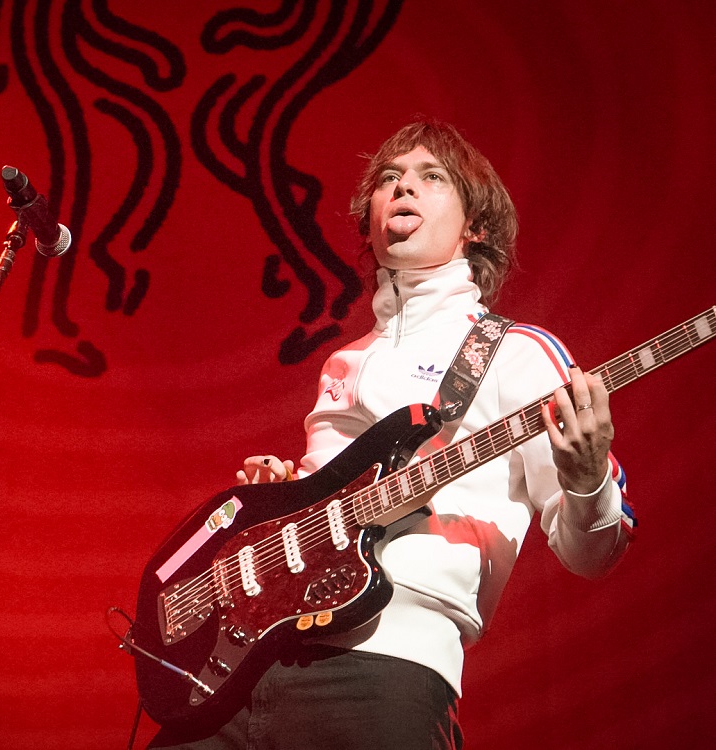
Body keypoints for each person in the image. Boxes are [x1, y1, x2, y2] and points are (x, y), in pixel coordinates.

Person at [148, 120, 634, 749]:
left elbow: (593, 555)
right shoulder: (343, 361)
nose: (403, 187)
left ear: (475, 227)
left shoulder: (516, 353)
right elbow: (327, 496)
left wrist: (588, 479)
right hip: (247, 664)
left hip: (386, 670)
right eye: (389, 178)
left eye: (432, 177)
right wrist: (281, 503)